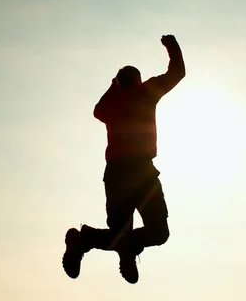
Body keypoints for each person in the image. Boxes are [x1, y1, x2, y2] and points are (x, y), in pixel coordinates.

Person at [62, 35, 186, 284]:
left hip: (118, 174)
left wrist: (112, 86)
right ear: (137, 81)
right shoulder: (146, 92)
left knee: (120, 234)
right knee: (157, 233)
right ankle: (122, 248)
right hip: (141, 173)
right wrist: (171, 45)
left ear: (119, 83)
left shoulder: (113, 103)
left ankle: (91, 242)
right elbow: (178, 72)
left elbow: (97, 110)